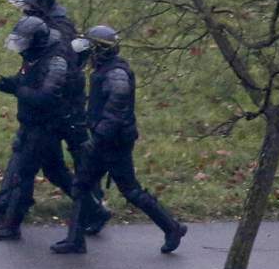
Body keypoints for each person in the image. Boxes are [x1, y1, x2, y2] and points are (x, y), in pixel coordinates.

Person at [0, 0, 111, 235]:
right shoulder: (42, 26)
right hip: (50, 105)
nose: (23, 9)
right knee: (34, 155)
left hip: (64, 105)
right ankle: (9, 201)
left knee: (75, 155)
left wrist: (22, 89)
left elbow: (57, 73)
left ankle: (93, 204)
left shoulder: (58, 31)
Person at [51, 26, 187, 254]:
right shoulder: (105, 70)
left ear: (100, 51)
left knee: (130, 190)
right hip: (104, 140)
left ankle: (172, 227)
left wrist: (97, 139)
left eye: (91, 50)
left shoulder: (116, 75)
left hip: (113, 144)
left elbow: (116, 113)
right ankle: (75, 240)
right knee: (81, 186)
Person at [0, 16, 74, 241]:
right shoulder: (35, 57)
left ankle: (11, 225)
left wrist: (17, 90)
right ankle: (94, 211)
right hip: (33, 124)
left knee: (23, 175)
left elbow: (46, 97)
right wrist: (10, 84)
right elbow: (26, 81)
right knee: (56, 173)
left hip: (44, 127)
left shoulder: (55, 62)